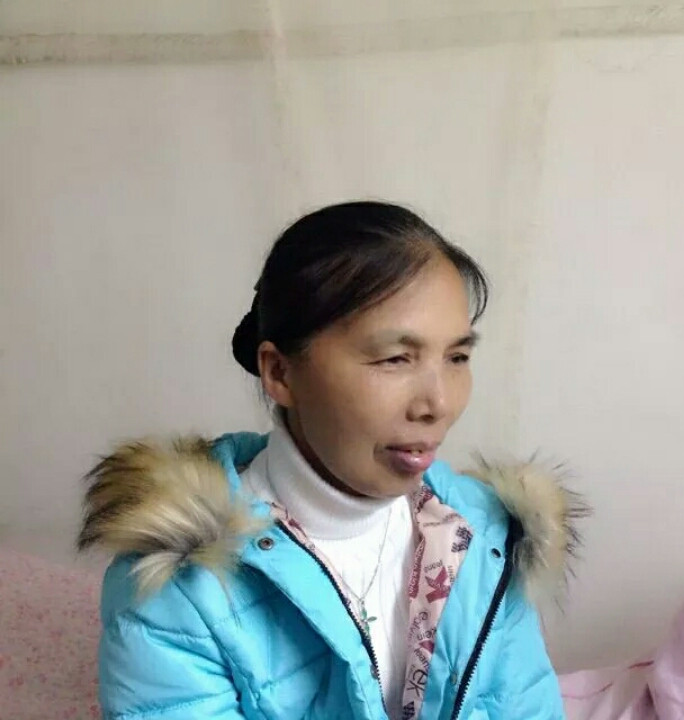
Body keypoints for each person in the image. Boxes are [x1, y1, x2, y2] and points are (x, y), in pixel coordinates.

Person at [78, 201, 583, 720]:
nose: (439, 403)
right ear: (279, 372)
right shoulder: (179, 584)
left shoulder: (482, 534)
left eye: (457, 357)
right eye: (395, 358)